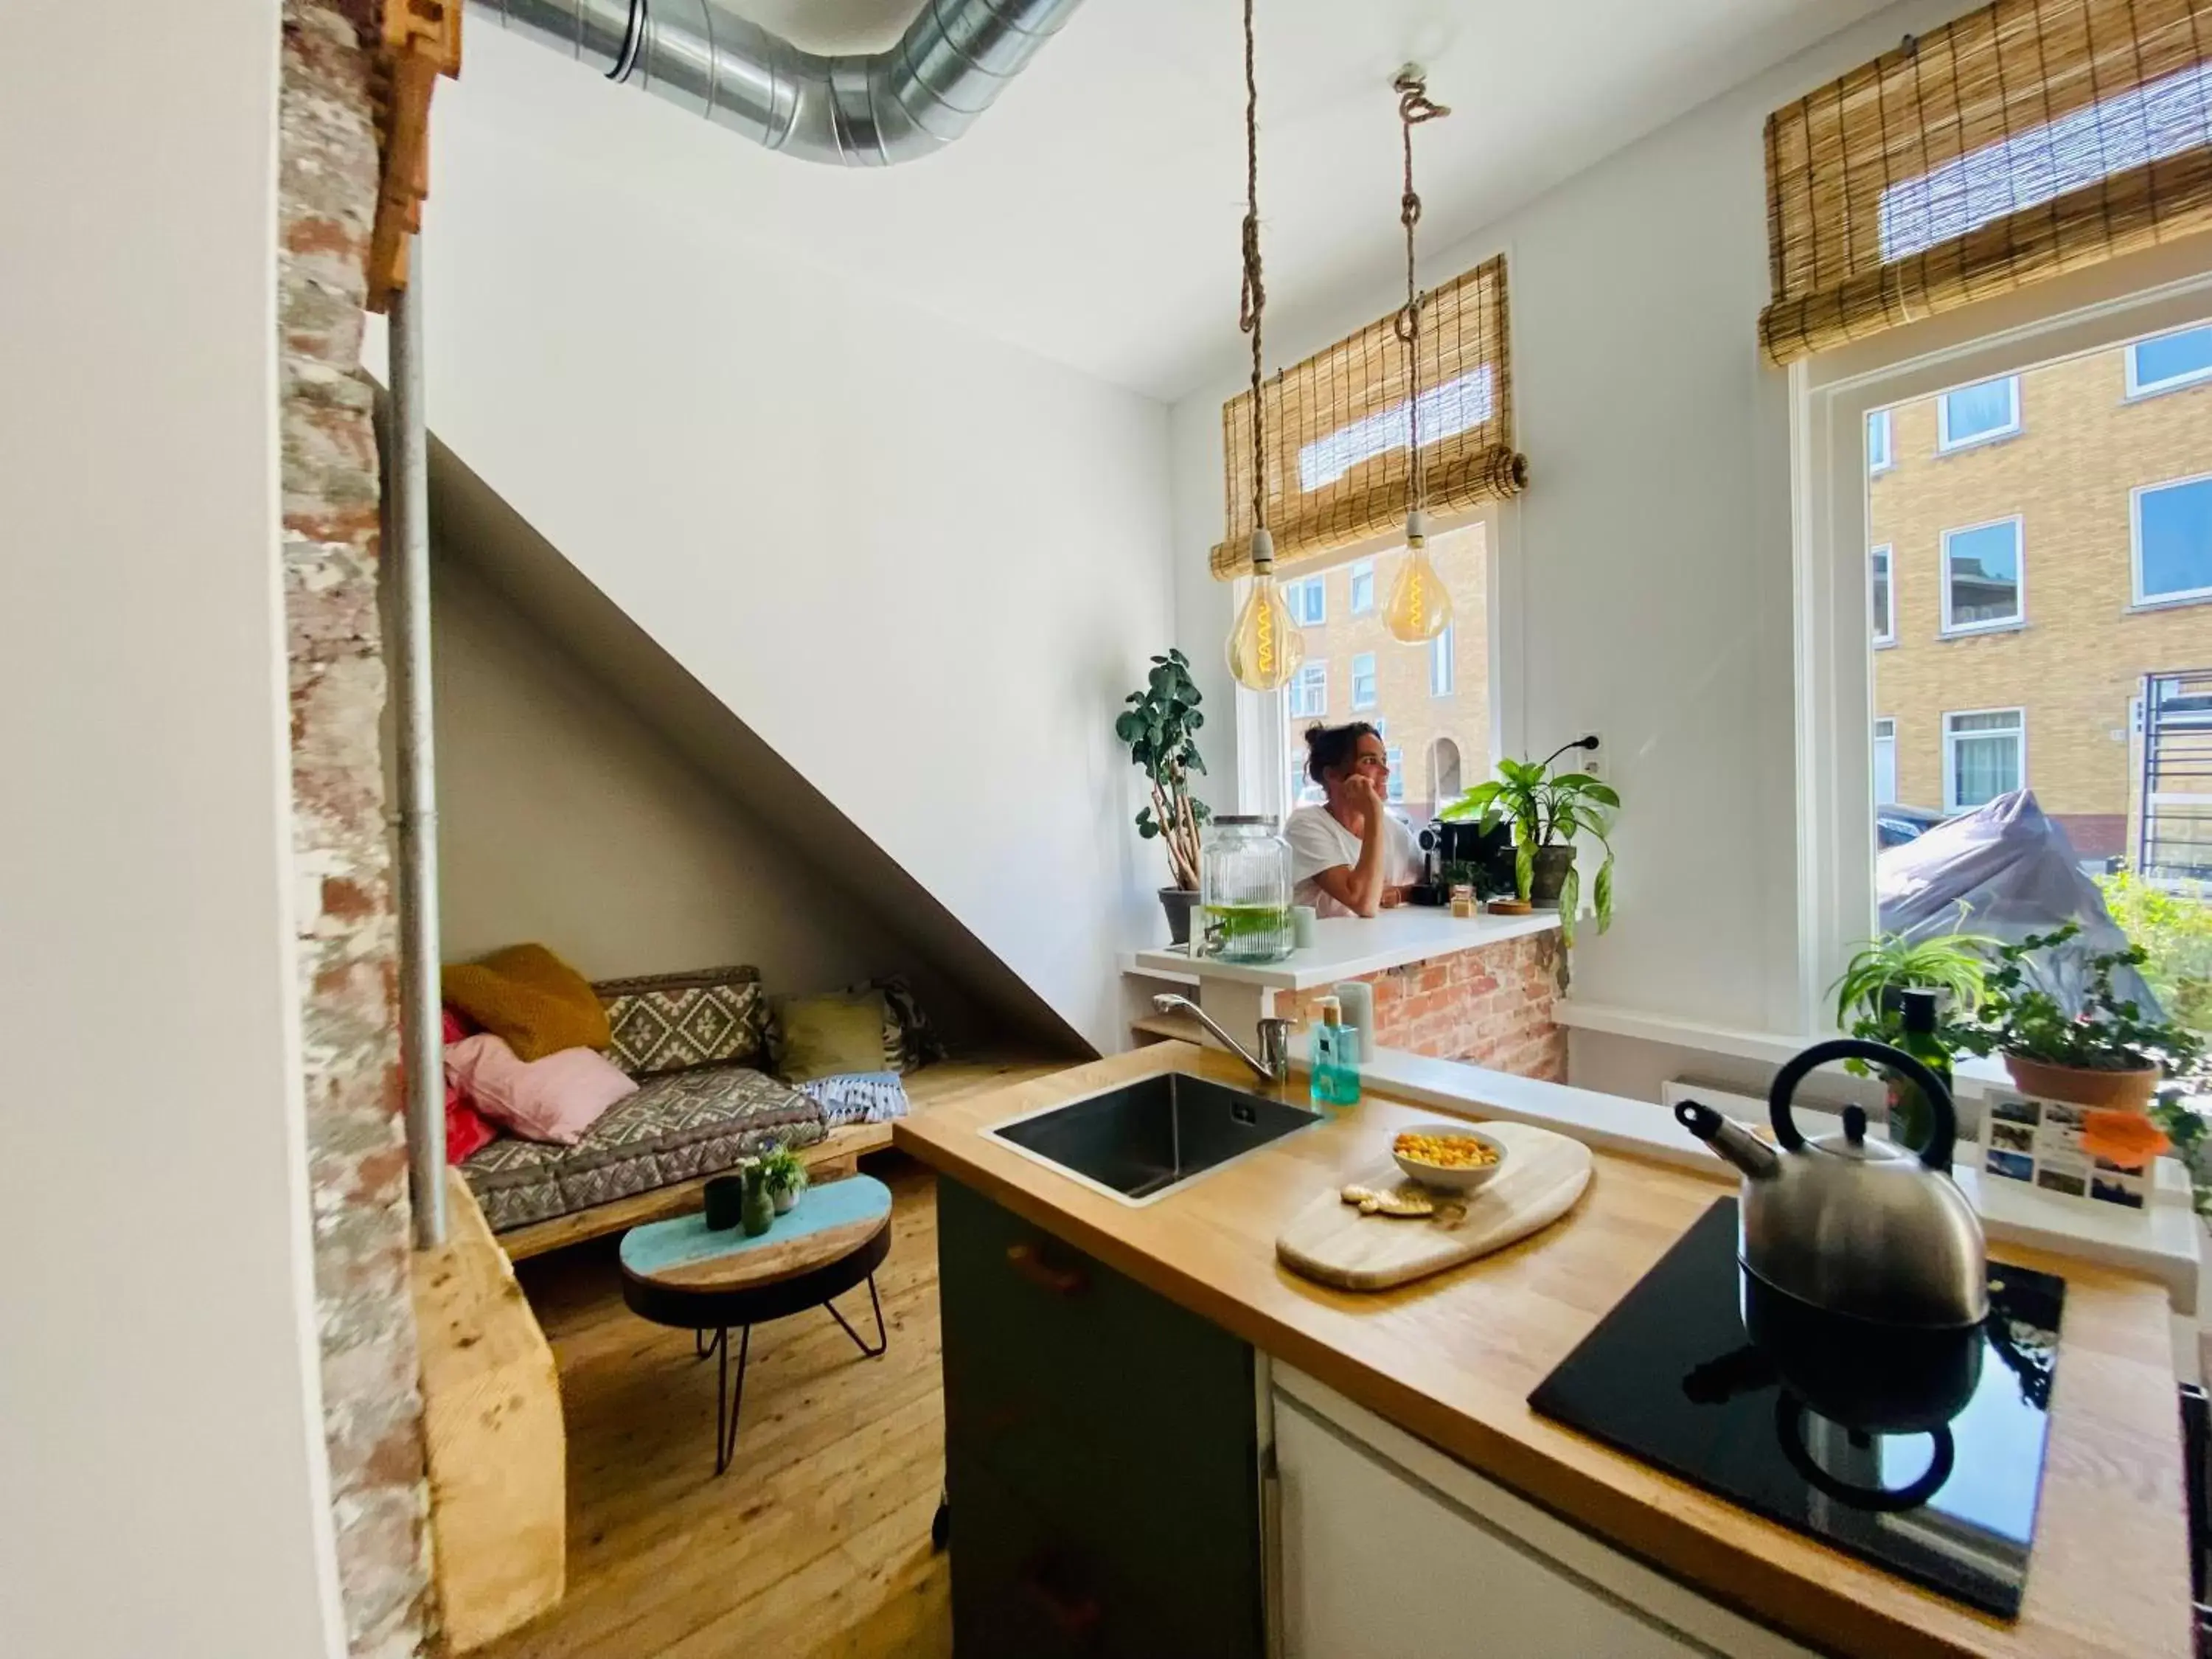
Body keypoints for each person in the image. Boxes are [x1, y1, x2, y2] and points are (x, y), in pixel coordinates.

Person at [1285, 723, 1422, 919]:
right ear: (1332, 774)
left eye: (1384, 760)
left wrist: (1400, 894)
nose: (1385, 771)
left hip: (1382, 947)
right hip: (1328, 948)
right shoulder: (1306, 825)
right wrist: (1374, 811)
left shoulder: (1396, 831)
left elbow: (1432, 886)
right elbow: (1364, 903)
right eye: (1369, 761)